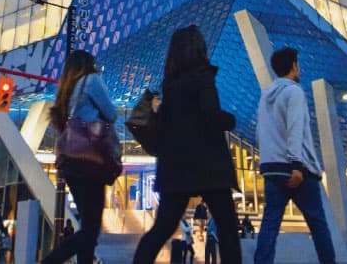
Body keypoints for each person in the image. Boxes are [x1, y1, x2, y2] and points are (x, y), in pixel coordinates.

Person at [132, 25, 241, 264]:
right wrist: (230, 120)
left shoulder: (169, 85)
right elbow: (211, 115)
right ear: (198, 48)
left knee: (162, 228)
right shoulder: (203, 76)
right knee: (228, 228)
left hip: (176, 167)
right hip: (208, 165)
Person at [254, 47, 337, 264]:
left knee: (270, 225)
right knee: (318, 225)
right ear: (293, 66)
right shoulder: (295, 92)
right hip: (296, 170)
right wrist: (296, 164)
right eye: (298, 64)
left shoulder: (265, 97)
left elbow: (260, 132)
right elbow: (295, 129)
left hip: (271, 168)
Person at [41, 50, 118, 264]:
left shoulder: (67, 89)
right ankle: (50, 261)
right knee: (91, 230)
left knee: (87, 226)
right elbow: (112, 113)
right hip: (90, 161)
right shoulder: (92, 80)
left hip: (72, 164)